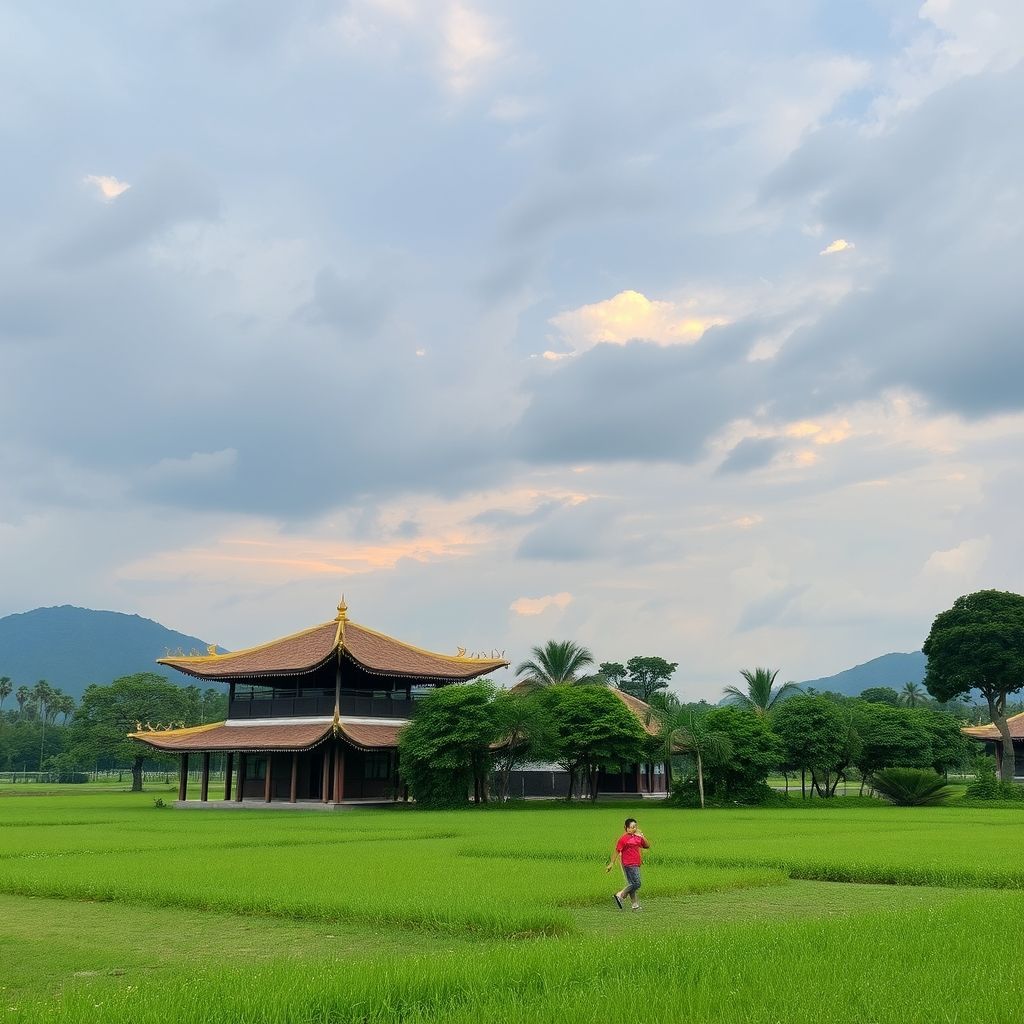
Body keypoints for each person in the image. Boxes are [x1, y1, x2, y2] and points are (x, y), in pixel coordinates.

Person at [606, 817, 650, 910]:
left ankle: (635, 905)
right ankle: (620, 895)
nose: (634, 828)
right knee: (637, 884)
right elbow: (617, 851)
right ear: (626, 828)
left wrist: (642, 836)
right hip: (628, 864)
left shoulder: (638, 837)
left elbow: (647, 846)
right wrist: (611, 863)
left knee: (632, 883)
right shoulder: (623, 839)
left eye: (635, 827)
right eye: (632, 827)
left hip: (636, 863)